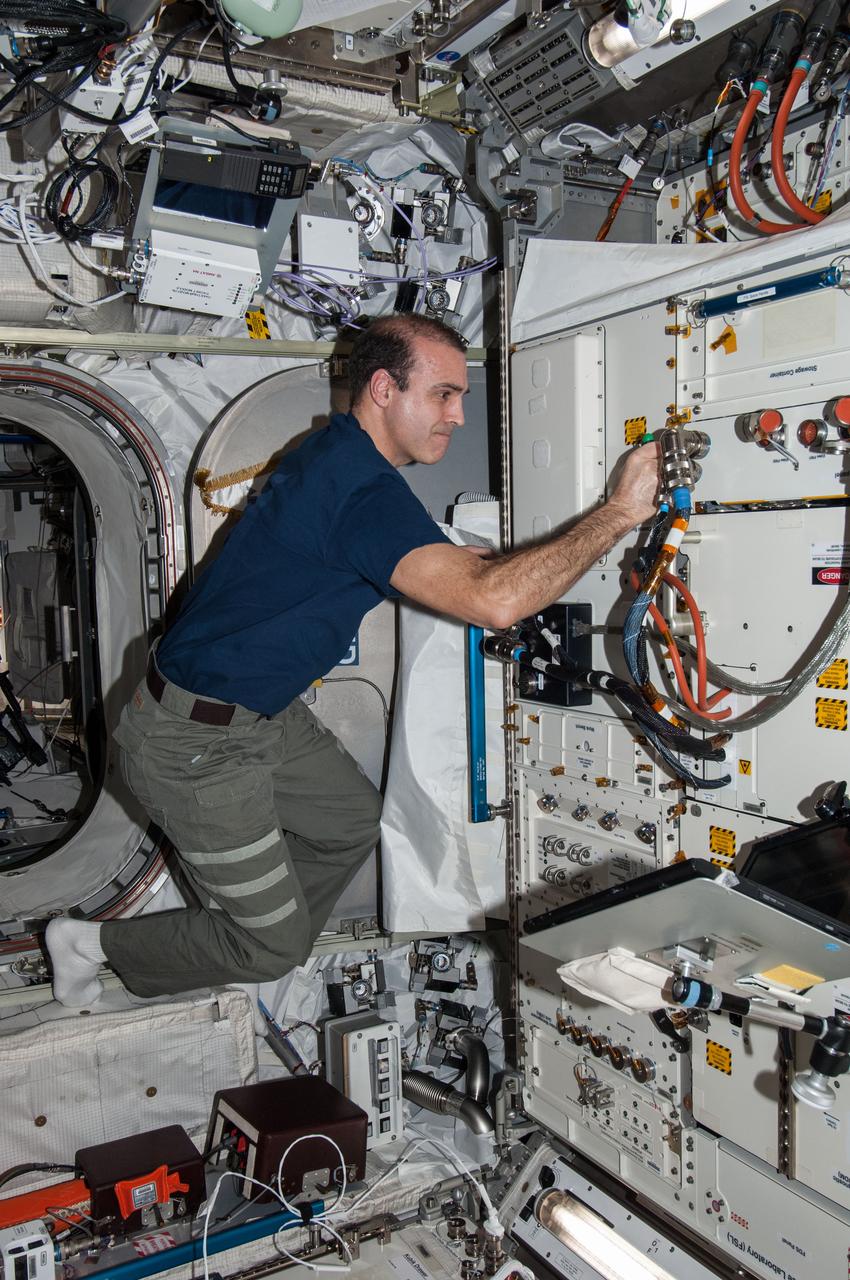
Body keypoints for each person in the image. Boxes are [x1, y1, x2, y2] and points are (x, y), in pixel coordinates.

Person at [45, 313, 659, 1011]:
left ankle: (248, 931)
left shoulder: (338, 455)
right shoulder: (361, 493)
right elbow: (494, 605)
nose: (458, 415)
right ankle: (96, 944)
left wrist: (508, 562)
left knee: (349, 824)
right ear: (382, 388)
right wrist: (618, 512)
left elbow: (444, 563)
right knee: (272, 950)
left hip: (251, 717)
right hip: (196, 744)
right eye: (444, 395)